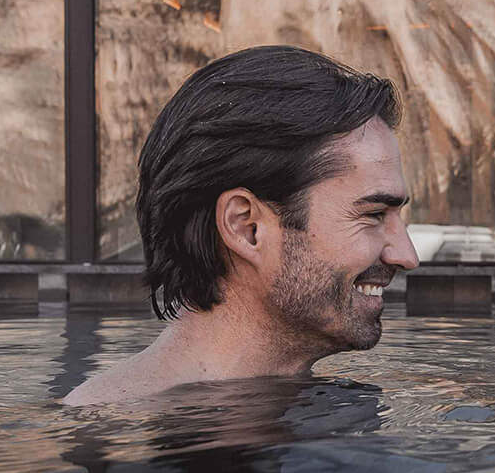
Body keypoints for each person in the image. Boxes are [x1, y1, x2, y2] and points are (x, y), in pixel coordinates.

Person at [66, 45, 420, 405]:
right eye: (374, 215)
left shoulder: (318, 410)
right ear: (246, 227)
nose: (407, 256)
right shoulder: (118, 440)